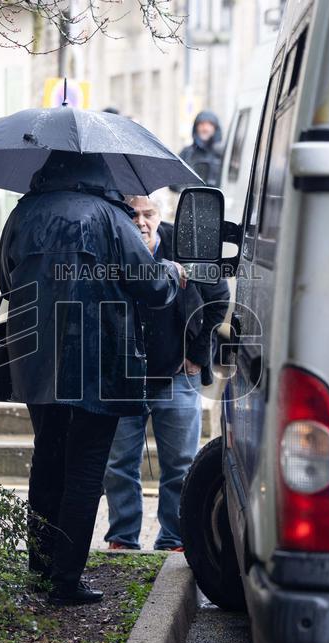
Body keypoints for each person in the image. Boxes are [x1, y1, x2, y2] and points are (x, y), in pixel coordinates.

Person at [0, 152, 185, 605]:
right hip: (98, 361)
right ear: (98, 171)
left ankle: (39, 572)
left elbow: (6, 280)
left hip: (37, 360)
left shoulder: (24, 212)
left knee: (47, 463)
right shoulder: (110, 216)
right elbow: (152, 286)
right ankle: (64, 581)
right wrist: (173, 274)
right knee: (84, 470)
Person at [104, 195, 230, 551]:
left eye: (149, 214)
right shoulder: (112, 246)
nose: (141, 222)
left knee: (179, 463)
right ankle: (123, 537)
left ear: (160, 215)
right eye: (134, 215)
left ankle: (174, 537)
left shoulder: (184, 245)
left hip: (176, 374)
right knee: (120, 463)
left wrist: (198, 352)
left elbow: (218, 297)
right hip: (123, 378)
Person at [177, 110, 224, 188]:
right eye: (202, 124)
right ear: (196, 127)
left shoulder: (224, 153)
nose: (205, 128)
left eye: (209, 124)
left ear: (215, 128)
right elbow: (173, 181)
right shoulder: (187, 153)